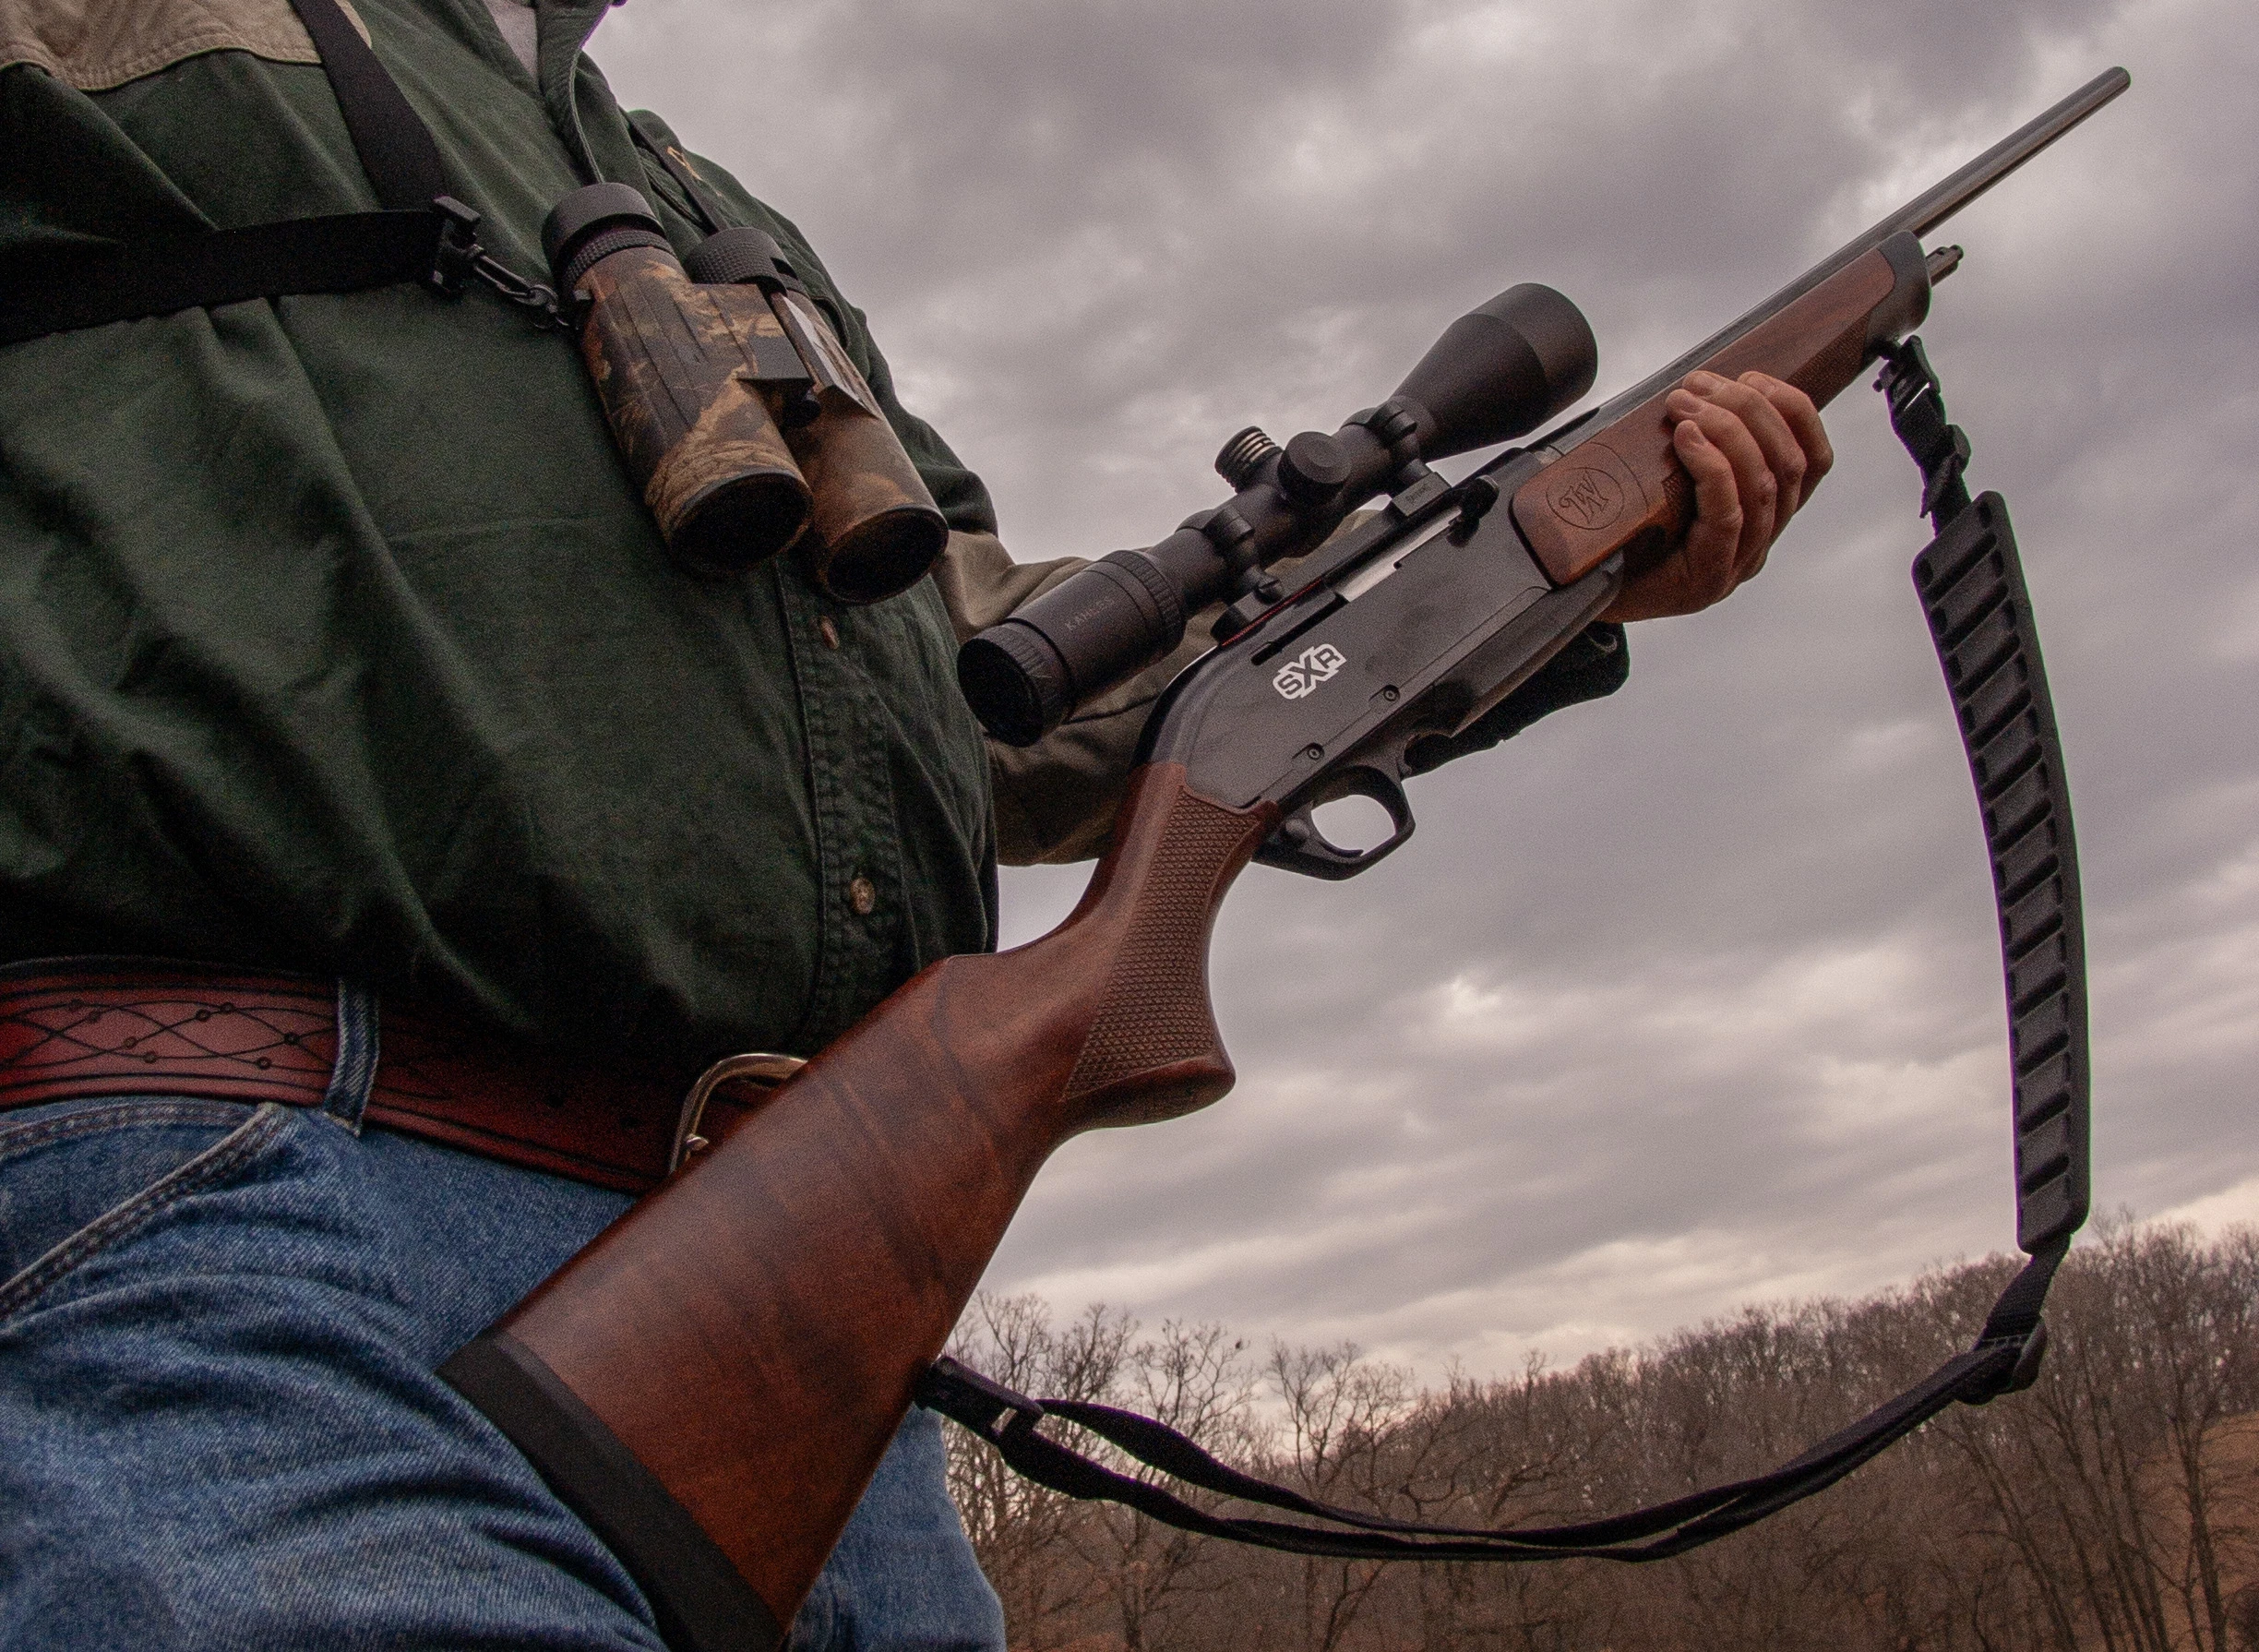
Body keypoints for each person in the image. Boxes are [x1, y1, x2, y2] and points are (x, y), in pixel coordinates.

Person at [0, 0, 1832, 1646]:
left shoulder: (700, 199)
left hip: (781, 1334)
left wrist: (1543, 594)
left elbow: (989, 688)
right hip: (252, 1233)